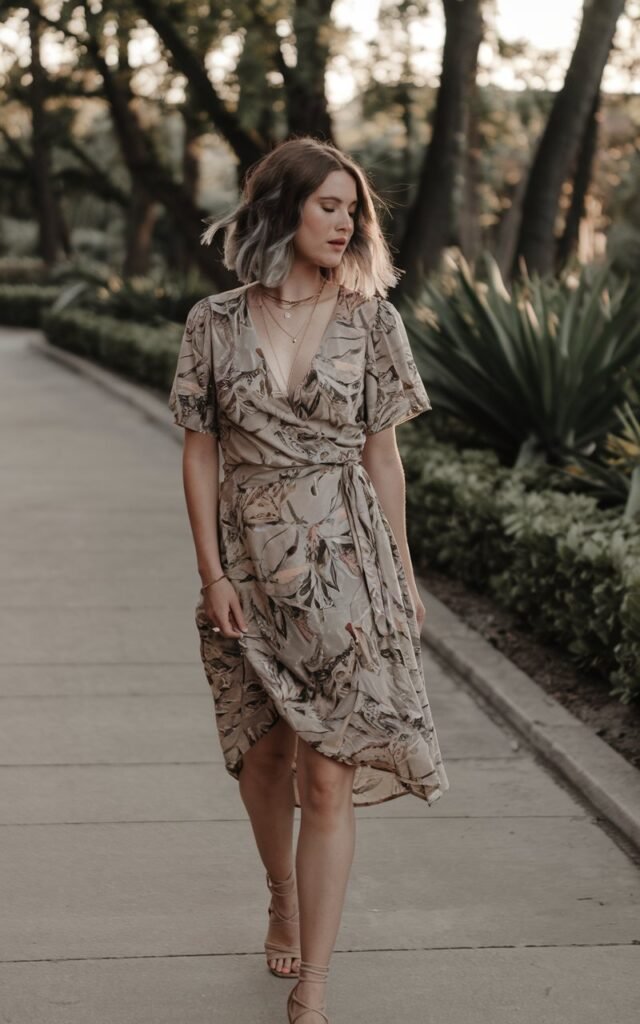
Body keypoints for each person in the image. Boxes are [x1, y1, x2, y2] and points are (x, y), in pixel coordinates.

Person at [168, 136, 449, 1023]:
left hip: (348, 563)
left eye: (354, 209)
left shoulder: (374, 321)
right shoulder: (213, 322)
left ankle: (315, 983)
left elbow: (386, 460)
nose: (347, 222)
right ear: (283, 209)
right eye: (330, 205)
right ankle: (279, 889)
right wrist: (211, 572)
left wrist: (403, 572)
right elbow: (201, 453)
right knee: (265, 757)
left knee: (326, 776)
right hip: (249, 565)